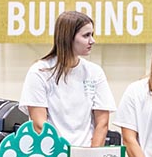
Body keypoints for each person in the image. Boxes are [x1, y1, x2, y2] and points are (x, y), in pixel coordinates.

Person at [19, 10, 115, 147]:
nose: (92, 41)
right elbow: (40, 125)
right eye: (86, 35)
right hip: (52, 156)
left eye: (92, 35)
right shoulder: (39, 72)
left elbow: (102, 123)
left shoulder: (95, 72)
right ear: (68, 37)